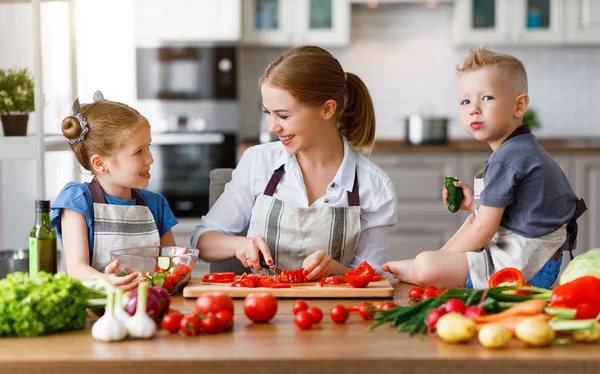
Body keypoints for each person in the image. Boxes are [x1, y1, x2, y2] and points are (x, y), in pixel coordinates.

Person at [382, 45, 586, 289]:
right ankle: (428, 265)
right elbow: (512, 213)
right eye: (466, 101)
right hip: (540, 262)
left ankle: (423, 268)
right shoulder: (521, 148)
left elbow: (485, 229)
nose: (474, 109)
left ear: (519, 106)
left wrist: (437, 261)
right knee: (470, 223)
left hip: (524, 267)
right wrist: (474, 205)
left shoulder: (508, 156)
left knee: (428, 263)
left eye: (487, 98)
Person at [192, 46, 398, 280]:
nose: (272, 127)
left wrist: (336, 270)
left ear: (327, 109)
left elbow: (374, 278)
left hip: (336, 311)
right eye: (267, 113)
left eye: (283, 116)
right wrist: (241, 244)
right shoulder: (258, 162)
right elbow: (202, 240)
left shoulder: (374, 185)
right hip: (261, 308)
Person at [51, 91, 178, 289]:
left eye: (149, 147)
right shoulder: (77, 201)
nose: (150, 159)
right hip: (97, 309)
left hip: (151, 303)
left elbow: (171, 265)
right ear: (100, 163)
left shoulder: (156, 204)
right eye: (138, 152)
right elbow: (77, 269)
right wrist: (105, 281)